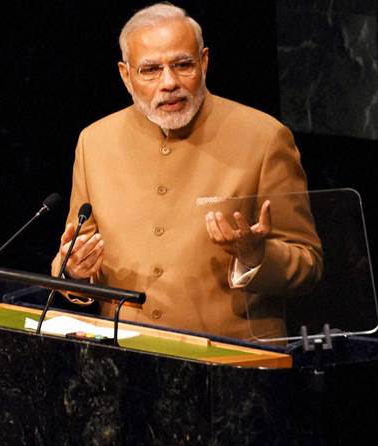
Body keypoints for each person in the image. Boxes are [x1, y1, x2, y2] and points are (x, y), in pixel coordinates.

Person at [51, 2, 322, 340]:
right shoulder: (94, 142)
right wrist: (74, 271)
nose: (169, 82)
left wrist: (256, 256)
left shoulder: (265, 138)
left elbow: (308, 263)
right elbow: (75, 252)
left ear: (204, 62)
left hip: (228, 361)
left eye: (182, 65)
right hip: (123, 358)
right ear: (126, 75)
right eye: (150, 70)